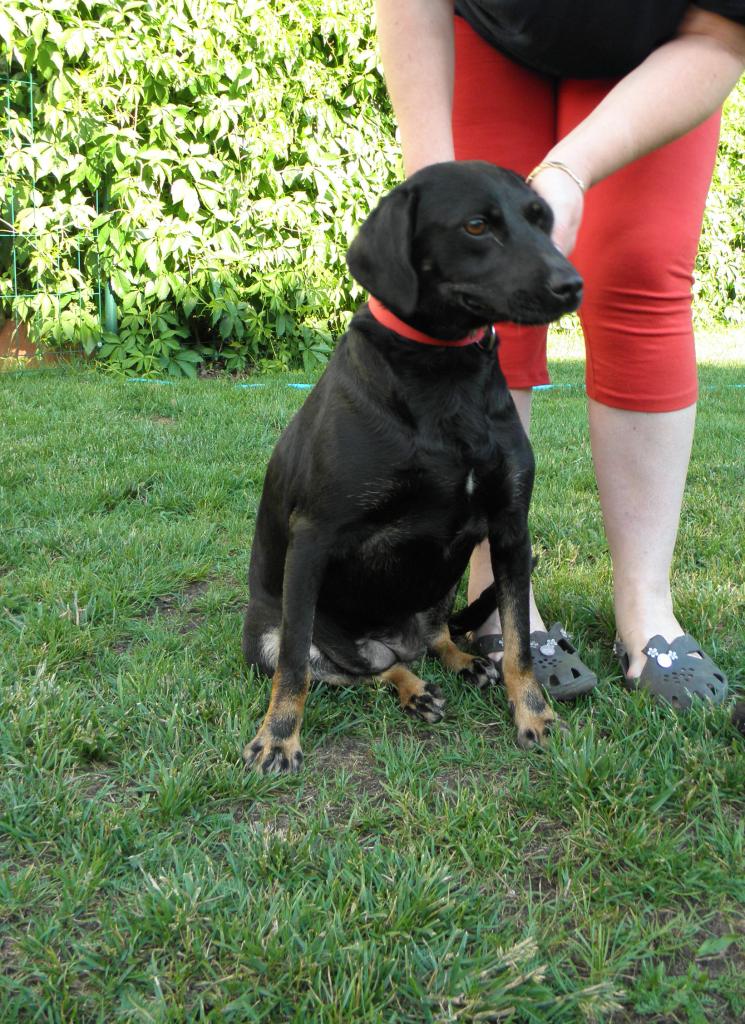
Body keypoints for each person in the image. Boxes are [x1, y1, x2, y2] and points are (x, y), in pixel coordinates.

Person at [374, 1, 745, 706]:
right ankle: (493, 593)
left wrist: (571, 171)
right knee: (483, 280)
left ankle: (646, 607)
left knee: (640, 269)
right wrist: (433, 190)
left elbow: (722, 35)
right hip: (484, 31)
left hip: (664, 45)